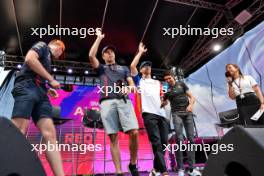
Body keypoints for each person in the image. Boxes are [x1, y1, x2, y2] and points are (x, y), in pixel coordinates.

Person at [89, 29, 139, 176]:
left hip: (124, 101)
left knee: (134, 132)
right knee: (113, 136)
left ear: (114, 55)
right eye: (107, 52)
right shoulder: (101, 69)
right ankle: (118, 171)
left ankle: (133, 164)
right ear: (103, 56)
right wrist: (98, 39)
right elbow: (91, 55)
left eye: (112, 52)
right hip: (106, 102)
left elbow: (132, 84)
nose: (110, 53)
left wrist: (130, 88)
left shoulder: (124, 69)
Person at [11, 40, 65, 176]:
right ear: (59, 47)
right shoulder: (43, 46)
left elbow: (37, 76)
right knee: (18, 131)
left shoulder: (48, 61)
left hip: (40, 92)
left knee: (50, 135)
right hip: (26, 86)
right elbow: (30, 59)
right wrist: (51, 80)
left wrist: (46, 88)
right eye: (61, 51)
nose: (60, 55)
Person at [130, 43, 169, 176]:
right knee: (156, 142)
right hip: (149, 114)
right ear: (141, 70)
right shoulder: (139, 81)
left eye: (149, 65)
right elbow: (132, 66)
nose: (147, 67)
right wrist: (140, 52)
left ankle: (155, 169)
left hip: (162, 114)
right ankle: (164, 171)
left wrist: (165, 101)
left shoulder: (158, 82)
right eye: (144, 66)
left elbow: (162, 97)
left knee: (164, 143)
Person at [162, 70, 201, 176]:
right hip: (176, 114)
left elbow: (192, 97)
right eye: (166, 79)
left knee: (191, 140)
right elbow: (164, 102)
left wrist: (191, 105)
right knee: (179, 139)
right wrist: (161, 102)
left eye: (169, 78)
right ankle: (180, 168)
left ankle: (192, 168)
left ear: (173, 77)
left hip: (188, 113)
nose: (168, 80)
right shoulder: (167, 91)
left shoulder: (181, 84)